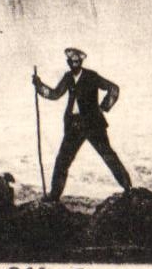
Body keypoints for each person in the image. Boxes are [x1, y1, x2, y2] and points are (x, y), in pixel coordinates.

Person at [33, 46, 132, 199]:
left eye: (77, 61)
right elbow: (54, 94)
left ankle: (128, 187)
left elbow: (114, 88)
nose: (74, 64)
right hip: (74, 126)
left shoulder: (91, 76)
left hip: (93, 124)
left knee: (108, 155)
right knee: (62, 160)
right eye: (72, 62)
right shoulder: (67, 78)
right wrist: (39, 85)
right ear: (68, 63)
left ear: (81, 62)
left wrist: (105, 106)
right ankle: (54, 196)